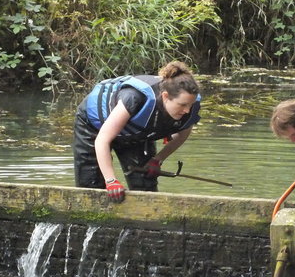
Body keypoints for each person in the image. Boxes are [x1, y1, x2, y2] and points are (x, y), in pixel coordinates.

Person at [73, 61, 201, 203]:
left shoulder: (189, 109)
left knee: (145, 186)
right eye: (182, 105)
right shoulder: (135, 98)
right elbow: (102, 140)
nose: (187, 110)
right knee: (90, 187)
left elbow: (181, 135)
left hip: (136, 134)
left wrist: (157, 160)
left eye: (190, 105)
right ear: (165, 97)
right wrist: (111, 181)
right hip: (94, 127)